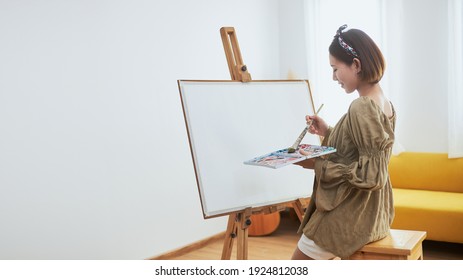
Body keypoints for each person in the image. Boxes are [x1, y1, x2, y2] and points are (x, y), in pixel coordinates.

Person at [291, 24, 396, 260]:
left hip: (351, 214)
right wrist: (328, 130)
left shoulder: (362, 106)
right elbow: (362, 152)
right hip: (374, 213)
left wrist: (316, 164)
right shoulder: (382, 101)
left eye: (335, 68)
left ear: (356, 65)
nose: (333, 77)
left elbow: (372, 176)